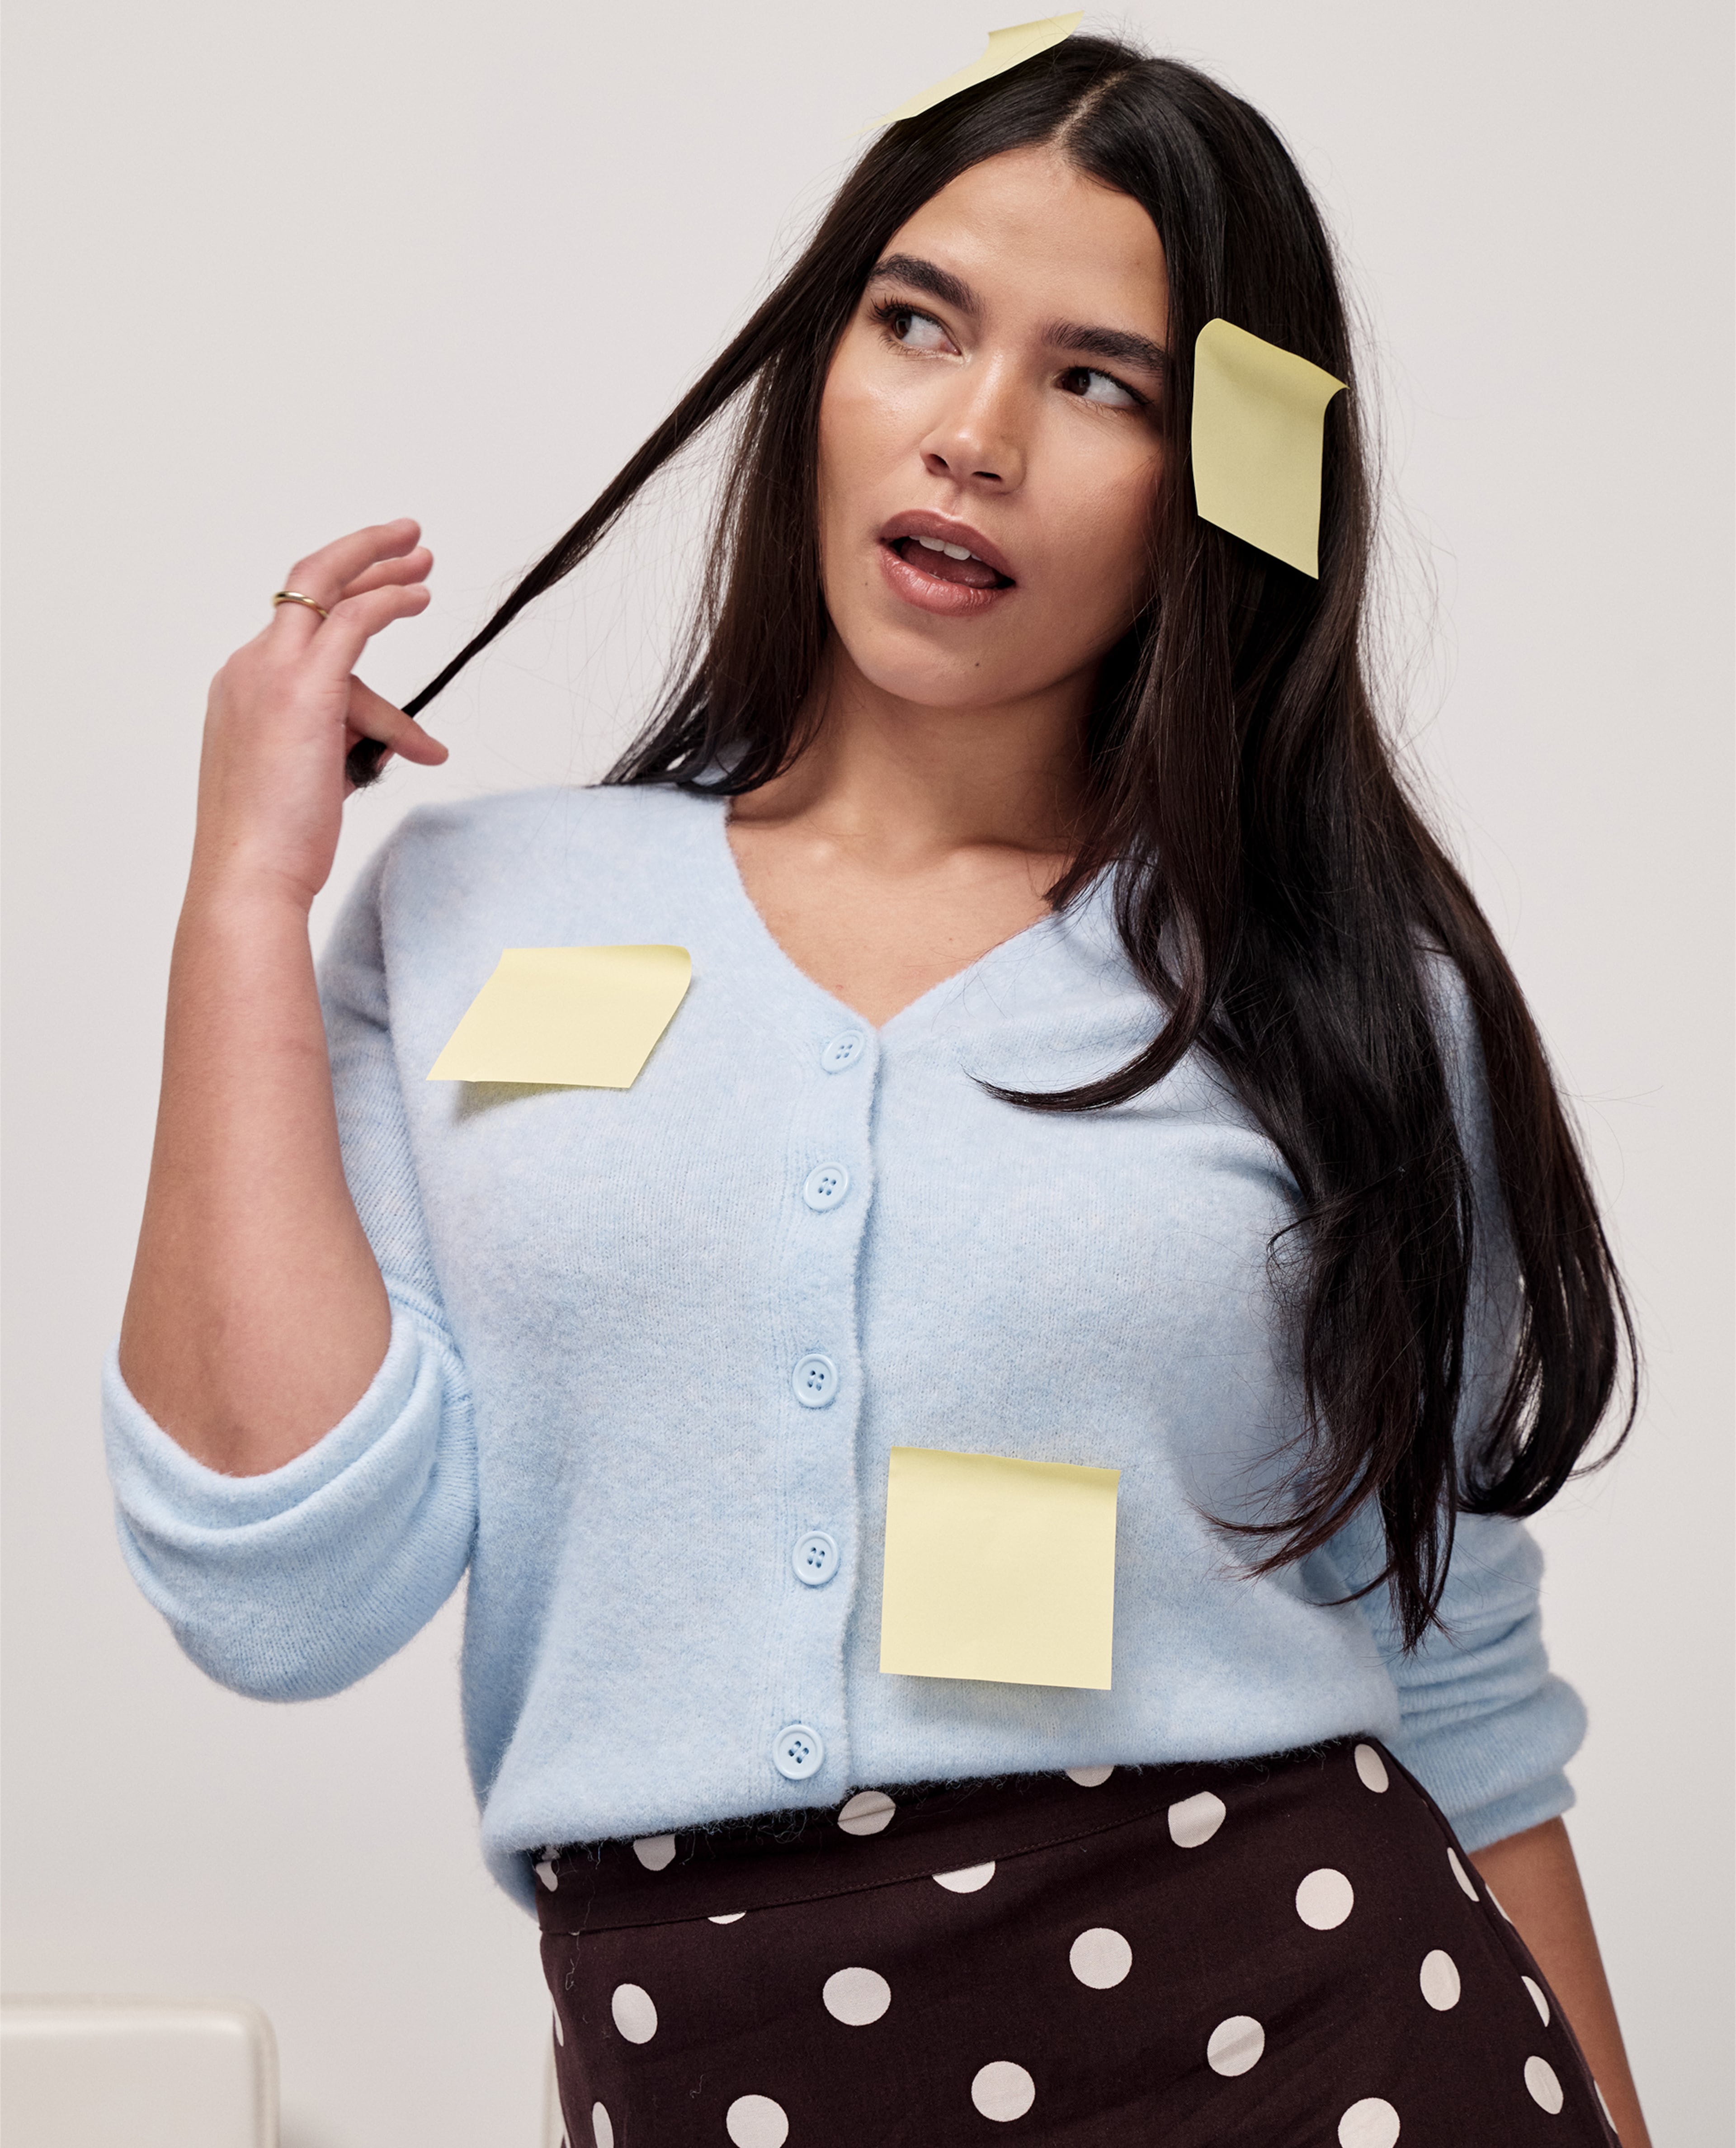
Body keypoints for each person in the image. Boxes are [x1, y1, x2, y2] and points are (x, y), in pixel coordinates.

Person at [105, 33, 1649, 2148]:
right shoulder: (475, 910)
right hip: (714, 2064)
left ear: (1220, 478)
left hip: (1332, 2045)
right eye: (917, 322)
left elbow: (1462, 1669)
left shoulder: (1341, 998)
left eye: (1102, 380)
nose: (975, 435)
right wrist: (240, 899)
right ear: (817, 369)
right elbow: (278, 1591)